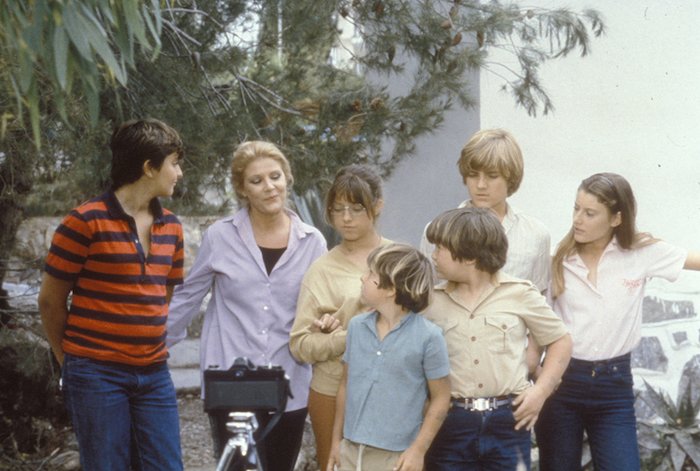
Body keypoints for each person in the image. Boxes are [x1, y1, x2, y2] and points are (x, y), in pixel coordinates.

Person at [166, 141, 326, 471]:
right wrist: (150, 348)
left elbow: (324, 306)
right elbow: (187, 297)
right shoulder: (220, 237)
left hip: (290, 382)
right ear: (242, 189)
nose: (269, 187)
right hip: (232, 383)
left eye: (275, 176)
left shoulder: (313, 241)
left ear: (287, 178)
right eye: (257, 181)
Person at [38, 118, 186, 470]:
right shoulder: (84, 221)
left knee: (167, 465)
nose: (179, 173)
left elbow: (160, 297)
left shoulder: (173, 227)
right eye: (175, 163)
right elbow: (50, 301)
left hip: (154, 373)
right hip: (96, 374)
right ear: (149, 167)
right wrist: (69, 361)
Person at [535, 172, 700, 470]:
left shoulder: (641, 254)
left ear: (615, 219)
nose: (577, 219)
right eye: (576, 209)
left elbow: (694, 260)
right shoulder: (555, 261)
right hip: (561, 384)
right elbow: (535, 324)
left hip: (614, 388)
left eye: (589, 213)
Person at [422, 207, 572, 470]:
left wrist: (540, 392)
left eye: (440, 249)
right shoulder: (430, 302)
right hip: (451, 421)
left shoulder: (519, 293)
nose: (433, 256)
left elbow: (561, 341)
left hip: (508, 421)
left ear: (468, 256)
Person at [289, 164, 390, 471]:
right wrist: (343, 337)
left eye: (356, 209)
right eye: (338, 209)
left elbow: (422, 327)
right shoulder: (322, 269)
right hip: (331, 390)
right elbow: (300, 345)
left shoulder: (398, 259)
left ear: (377, 206)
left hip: (392, 388)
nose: (346, 218)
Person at [327, 243, 451, 471]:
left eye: (371, 274)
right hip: (350, 450)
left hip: (396, 457)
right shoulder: (356, 327)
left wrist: (418, 450)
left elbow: (441, 398)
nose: (362, 278)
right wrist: (336, 442)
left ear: (391, 288)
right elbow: (345, 384)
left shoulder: (429, 337)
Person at [419, 128, 550, 292]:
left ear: (510, 178)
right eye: (473, 175)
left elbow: (539, 299)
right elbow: (426, 295)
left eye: (492, 176)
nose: (481, 185)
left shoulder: (535, 235)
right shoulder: (437, 231)